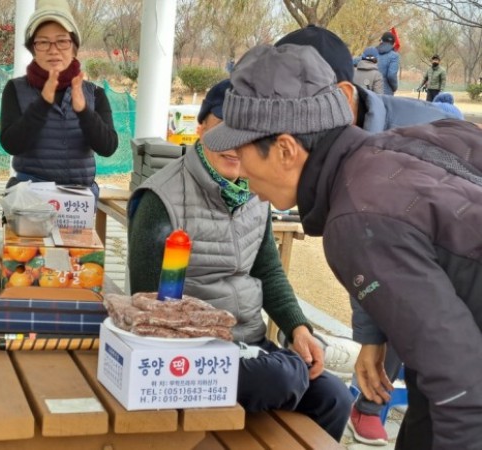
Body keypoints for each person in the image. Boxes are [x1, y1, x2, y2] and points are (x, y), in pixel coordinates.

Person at [204, 42, 482, 450]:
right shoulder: (424, 137)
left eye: (244, 156)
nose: (241, 173)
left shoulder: (355, 220)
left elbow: (464, 391)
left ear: (285, 150)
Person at [127, 79, 353, 442]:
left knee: (335, 398)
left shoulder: (255, 191)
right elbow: (147, 303)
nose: (234, 146)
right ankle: (285, 369)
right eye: (222, 131)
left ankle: (286, 367)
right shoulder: (160, 199)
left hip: (251, 346)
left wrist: (298, 329)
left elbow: (267, 269)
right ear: (200, 129)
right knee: (280, 377)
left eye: (245, 135)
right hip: (192, 355)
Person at [275, 25, 457, 446]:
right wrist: (373, 337)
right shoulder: (327, 151)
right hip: (430, 332)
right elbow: (376, 258)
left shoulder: (428, 129)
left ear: (339, 96)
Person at [0, 0, 118, 200]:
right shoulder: (15, 89)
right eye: (43, 42)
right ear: (33, 49)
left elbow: (108, 147)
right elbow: (11, 145)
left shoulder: (94, 94)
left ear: (74, 48)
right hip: (30, 199)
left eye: (62, 41)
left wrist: (83, 111)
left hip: (78, 202)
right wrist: (42, 104)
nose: (53, 50)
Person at [376, 31, 399, 95]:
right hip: (386, 93)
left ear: (381, 41)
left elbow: (357, 61)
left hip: (370, 92)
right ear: (393, 43)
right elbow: (391, 75)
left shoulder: (371, 52)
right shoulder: (394, 56)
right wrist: (394, 87)